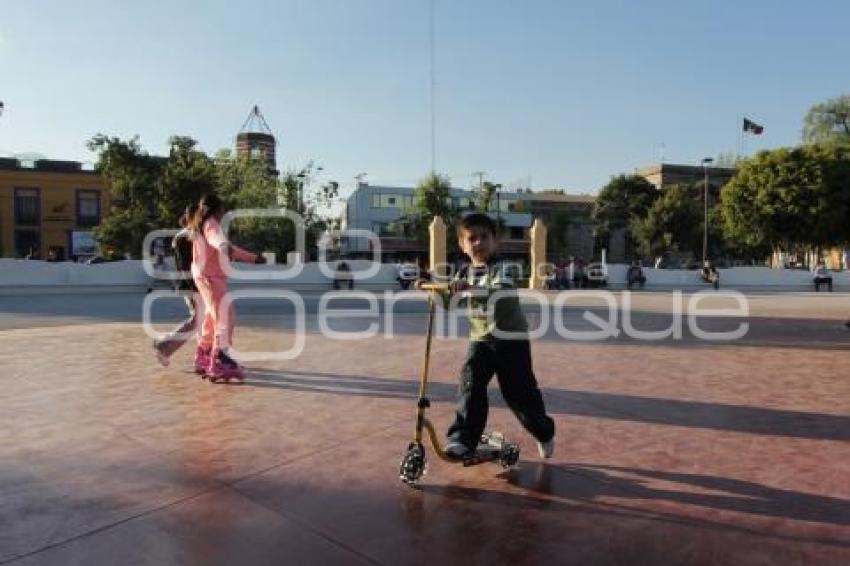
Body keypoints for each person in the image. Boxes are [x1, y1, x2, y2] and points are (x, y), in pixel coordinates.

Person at [415, 213, 555, 460]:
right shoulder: (465, 273)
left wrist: (471, 289)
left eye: (484, 237)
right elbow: (449, 301)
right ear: (462, 245)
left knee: (519, 395)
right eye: (472, 239)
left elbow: (502, 291)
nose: (478, 243)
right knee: (470, 384)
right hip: (481, 340)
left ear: (495, 240)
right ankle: (462, 439)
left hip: (511, 340)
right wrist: (431, 289)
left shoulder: (505, 268)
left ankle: (543, 432)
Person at [190, 194, 266, 382]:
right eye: (223, 208)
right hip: (210, 277)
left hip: (203, 275)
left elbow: (228, 248)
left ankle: (204, 355)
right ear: (217, 209)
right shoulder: (211, 223)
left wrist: (253, 258)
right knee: (225, 315)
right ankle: (219, 360)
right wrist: (223, 245)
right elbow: (217, 240)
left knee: (211, 315)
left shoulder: (200, 223)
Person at [153, 204, 204, 369]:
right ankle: (165, 347)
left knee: (200, 321)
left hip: (191, 283)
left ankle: (204, 356)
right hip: (192, 284)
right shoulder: (186, 237)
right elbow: (185, 265)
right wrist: (195, 286)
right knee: (197, 321)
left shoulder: (187, 236)